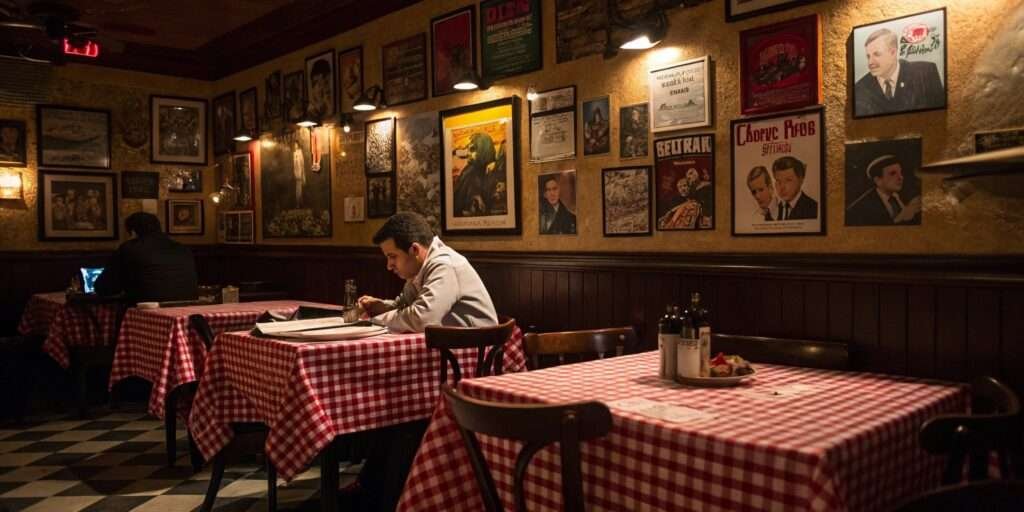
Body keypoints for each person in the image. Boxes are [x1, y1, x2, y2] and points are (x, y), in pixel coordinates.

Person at [358, 212, 498, 333]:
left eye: (392, 256)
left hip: (474, 354)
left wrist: (373, 322)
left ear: (415, 250)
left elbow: (421, 318)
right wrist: (382, 307)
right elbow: (407, 306)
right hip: (450, 349)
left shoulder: (444, 266)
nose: (389, 266)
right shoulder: (419, 269)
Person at [94, 212, 198, 304]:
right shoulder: (183, 249)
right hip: (185, 314)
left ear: (133, 232)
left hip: (148, 314)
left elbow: (104, 287)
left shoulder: (129, 248)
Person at [854, 28, 945, 116]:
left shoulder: (926, 73)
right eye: (868, 56)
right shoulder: (860, 89)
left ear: (893, 52)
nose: (870, 62)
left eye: (877, 54)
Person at [846, 154, 922, 226]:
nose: (901, 177)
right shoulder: (860, 208)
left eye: (900, 172)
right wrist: (901, 217)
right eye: (893, 173)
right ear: (878, 180)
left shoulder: (907, 195)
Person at [771, 156, 818, 220]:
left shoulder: (814, 209)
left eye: (788, 180)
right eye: (778, 181)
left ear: (800, 180)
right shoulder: (772, 211)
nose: (782, 187)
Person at [292, 140, 305, 208]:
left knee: (299, 189)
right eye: (294, 145)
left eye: (296, 144)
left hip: (300, 172)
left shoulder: (300, 152)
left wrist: (302, 173)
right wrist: (294, 172)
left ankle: (299, 203)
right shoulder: (294, 153)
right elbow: (294, 164)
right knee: (297, 189)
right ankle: (299, 203)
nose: (295, 146)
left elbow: (302, 163)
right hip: (296, 172)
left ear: (298, 145)